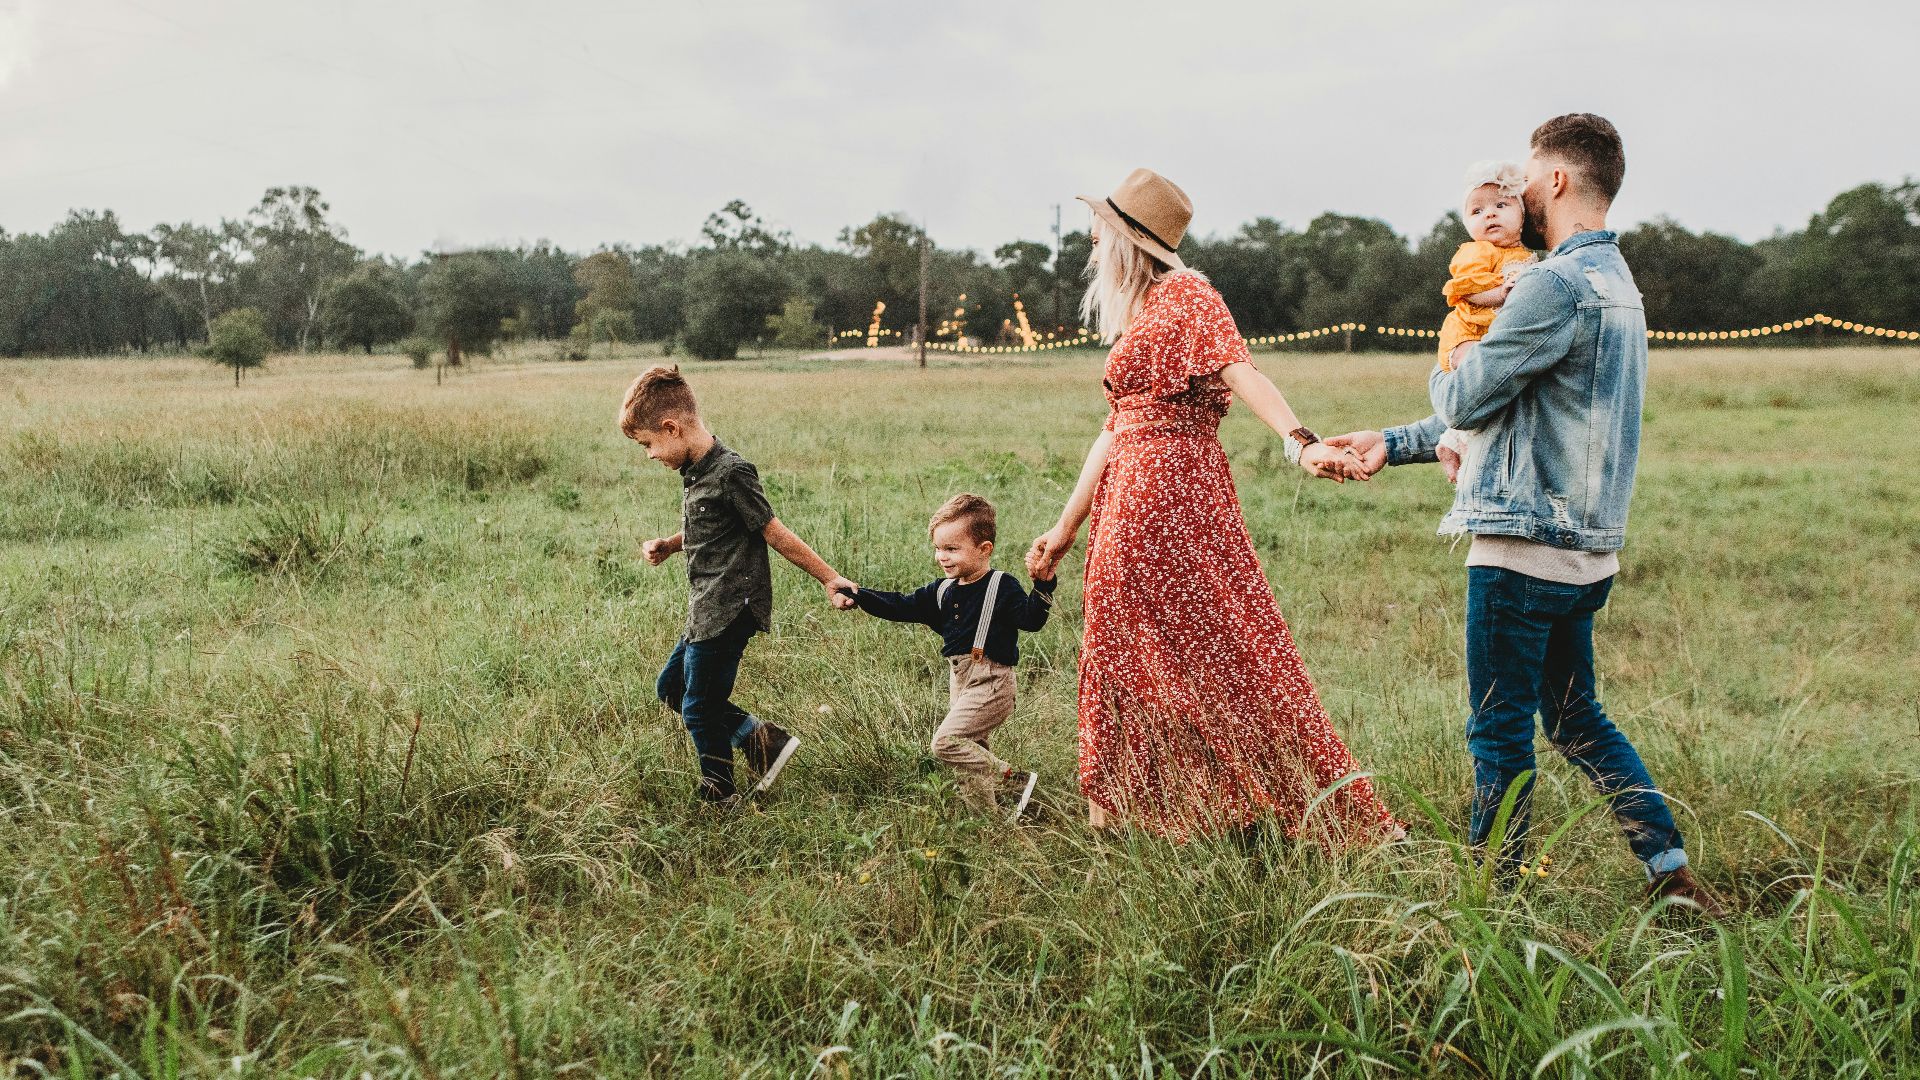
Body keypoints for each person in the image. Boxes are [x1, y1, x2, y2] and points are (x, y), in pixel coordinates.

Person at [1328, 115, 1727, 914]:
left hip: (1521, 548)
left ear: (1557, 182)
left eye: (1527, 178)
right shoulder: (1619, 284)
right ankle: (1669, 872)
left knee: (1497, 729)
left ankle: (1491, 900)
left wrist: (1450, 358)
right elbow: (1521, 407)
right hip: (1586, 552)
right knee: (1577, 719)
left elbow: (1469, 394)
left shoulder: (1550, 284)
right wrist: (1394, 441)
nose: (1515, 193)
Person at [1024, 167, 1398, 843]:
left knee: (1221, 648)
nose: (1090, 239)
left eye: (1099, 228)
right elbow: (1113, 429)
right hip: (1130, 494)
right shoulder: (1141, 311)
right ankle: (1140, 814)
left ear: (1127, 239)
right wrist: (1064, 527)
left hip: (1170, 493)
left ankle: (1264, 806)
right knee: (1126, 652)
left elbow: (1242, 370)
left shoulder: (1188, 295)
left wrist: (1301, 442)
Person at [622, 365, 858, 805]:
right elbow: (712, 529)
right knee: (671, 689)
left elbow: (772, 531)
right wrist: (671, 545)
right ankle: (762, 741)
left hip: (731, 607)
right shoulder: (695, 472)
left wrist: (830, 578)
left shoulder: (732, 472)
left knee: (698, 707)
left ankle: (720, 793)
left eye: (648, 444)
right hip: (705, 607)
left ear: (671, 428)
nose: (649, 454)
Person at [841, 493, 1054, 820]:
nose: (942, 556)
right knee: (972, 754)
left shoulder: (1001, 586)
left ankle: (1014, 781)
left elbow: (1032, 620)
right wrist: (858, 595)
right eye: (938, 548)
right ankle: (988, 823)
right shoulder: (941, 591)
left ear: (984, 550)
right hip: (961, 681)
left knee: (947, 743)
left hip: (993, 682)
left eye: (952, 549)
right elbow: (899, 605)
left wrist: (1043, 585)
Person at [1434, 161, 1539, 485]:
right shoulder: (1477, 251)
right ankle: (1458, 447)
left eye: (1501, 205)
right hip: (1468, 332)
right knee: (1477, 376)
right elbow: (1464, 288)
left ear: (1522, 216)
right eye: (1477, 211)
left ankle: (1453, 442)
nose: (1489, 215)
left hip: (1492, 333)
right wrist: (1499, 293)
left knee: (1494, 389)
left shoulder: (1527, 256)